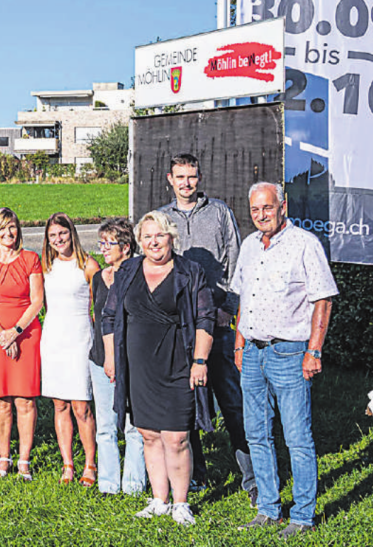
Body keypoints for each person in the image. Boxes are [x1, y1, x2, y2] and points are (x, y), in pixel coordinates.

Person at [232, 182, 338, 539]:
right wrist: (238, 345)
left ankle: (303, 515)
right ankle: (268, 508)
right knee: (256, 434)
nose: (261, 215)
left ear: (283, 206)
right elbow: (243, 299)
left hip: (290, 353)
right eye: (255, 210)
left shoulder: (305, 244)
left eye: (267, 208)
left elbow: (323, 300)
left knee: (297, 437)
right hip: (252, 352)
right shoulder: (248, 246)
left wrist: (314, 350)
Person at [102, 211, 215, 526]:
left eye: (160, 235)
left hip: (179, 364)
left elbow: (205, 318)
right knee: (149, 434)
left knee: (177, 437)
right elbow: (109, 316)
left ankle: (181, 503)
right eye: (147, 236)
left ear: (171, 237)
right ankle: (159, 500)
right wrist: (111, 358)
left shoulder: (190, 272)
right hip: (138, 367)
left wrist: (200, 360)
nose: (154, 242)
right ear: (139, 241)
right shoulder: (127, 271)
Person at [158, 153, 257, 504]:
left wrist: (226, 309)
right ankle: (195, 476)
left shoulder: (219, 212)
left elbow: (237, 262)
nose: (186, 183)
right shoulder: (162, 218)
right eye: (180, 177)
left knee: (233, 403)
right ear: (170, 179)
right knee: (188, 407)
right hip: (179, 329)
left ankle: (253, 479)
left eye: (192, 177)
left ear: (200, 178)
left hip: (216, 323)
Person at [0, 207, 44, 481]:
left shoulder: (30, 259)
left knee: (25, 399)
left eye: (12, 227)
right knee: (0, 399)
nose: (8, 233)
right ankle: (4, 458)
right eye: (2, 228)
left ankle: (24, 460)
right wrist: (1, 335)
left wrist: (14, 332)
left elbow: (37, 300)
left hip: (25, 332)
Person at [39, 212, 100, 486]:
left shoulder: (87, 265)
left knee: (81, 405)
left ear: (71, 233)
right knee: (59, 404)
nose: (58, 239)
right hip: (53, 338)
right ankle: (67, 464)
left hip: (79, 338)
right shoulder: (46, 265)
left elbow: (99, 307)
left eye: (62, 233)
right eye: (52, 235)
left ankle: (90, 463)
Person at [89, 218, 146, 495]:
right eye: (101, 243)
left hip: (131, 361)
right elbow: (97, 316)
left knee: (133, 426)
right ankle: (108, 484)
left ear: (125, 246)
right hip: (99, 360)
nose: (103, 249)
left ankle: (134, 484)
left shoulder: (138, 276)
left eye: (108, 243)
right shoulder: (99, 277)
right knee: (105, 425)